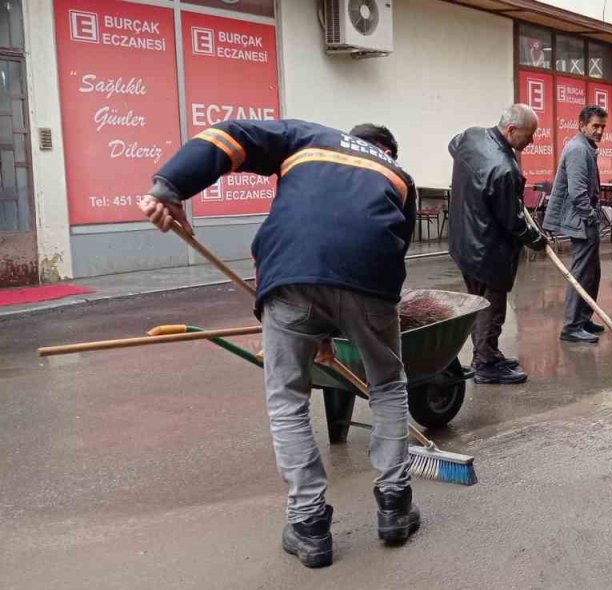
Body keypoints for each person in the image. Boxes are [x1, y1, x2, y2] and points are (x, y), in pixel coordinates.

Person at [138, 120, 420, 569]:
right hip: (371, 283)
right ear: (384, 150)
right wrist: (337, 323)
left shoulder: (306, 137)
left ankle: (309, 524)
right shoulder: (399, 175)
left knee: (288, 398)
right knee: (387, 384)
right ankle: (395, 506)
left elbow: (227, 137)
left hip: (291, 275)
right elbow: (387, 248)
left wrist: (170, 186)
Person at [448, 105, 548, 384]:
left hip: (463, 240)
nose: (532, 141)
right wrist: (536, 239)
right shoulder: (504, 168)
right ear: (512, 130)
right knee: (490, 306)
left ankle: (487, 352)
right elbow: (513, 221)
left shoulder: (470, 137)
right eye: (530, 135)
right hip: (487, 249)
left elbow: (452, 146)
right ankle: (485, 363)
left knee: (477, 301)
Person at [543, 105, 609, 344]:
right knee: (581, 274)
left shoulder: (585, 148)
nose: (600, 131)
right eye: (595, 126)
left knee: (592, 273)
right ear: (582, 125)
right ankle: (571, 326)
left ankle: (582, 318)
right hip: (581, 222)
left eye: (603, 126)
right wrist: (592, 218)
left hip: (584, 220)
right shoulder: (578, 150)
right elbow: (578, 192)